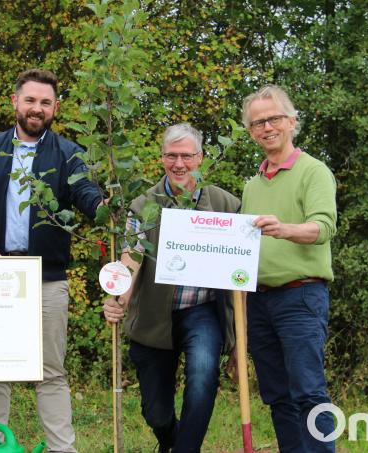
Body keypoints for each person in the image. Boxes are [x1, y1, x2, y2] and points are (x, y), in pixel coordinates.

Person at [0, 69, 104, 453]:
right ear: (15, 102)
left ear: (55, 107)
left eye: (45, 102)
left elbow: (86, 192)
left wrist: (103, 207)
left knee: (51, 371)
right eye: (30, 100)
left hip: (47, 278)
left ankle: (62, 449)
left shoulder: (69, 154)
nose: (36, 108)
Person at [102, 123, 240, 453]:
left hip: (202, 309)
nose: (179, 164)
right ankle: (171, 440)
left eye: (187, 156)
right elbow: (132, 255)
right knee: (156, 412)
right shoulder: (144, 205)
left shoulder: (226, 204)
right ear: (162, 158)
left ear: (201, 158)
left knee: (204, 374)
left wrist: (236, 340)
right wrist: (118, 297)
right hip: (153, 313)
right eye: (171, 156)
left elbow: (238, 270)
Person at [240, 85, 338, 453]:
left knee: (309, 392)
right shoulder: (252, 185)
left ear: (292, 121)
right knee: (277, 395)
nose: (267, 127)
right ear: (251, 131)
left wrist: (284, 229)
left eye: (274, 118)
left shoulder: (314, 172)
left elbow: (324, 227)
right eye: (258, 122)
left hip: (301, 296)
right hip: (260, 301)